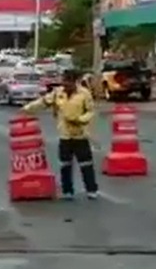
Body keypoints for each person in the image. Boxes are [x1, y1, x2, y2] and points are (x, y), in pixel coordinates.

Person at [22, 68, 99, 200]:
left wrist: (81, 120)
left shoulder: (84, 94)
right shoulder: (58, 93)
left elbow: (91, 112)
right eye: (63, 81)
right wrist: (27, 109)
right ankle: (67, 191)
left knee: (86, 164)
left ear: (74, 81)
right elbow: (43, 102)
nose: (64, 84)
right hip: (64, 135)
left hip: (80, 135)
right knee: (65, 165)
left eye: (67, 81)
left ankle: (91, 190)